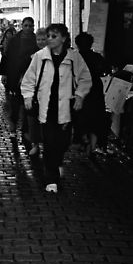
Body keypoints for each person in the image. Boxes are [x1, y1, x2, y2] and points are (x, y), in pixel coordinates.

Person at [21, 24, 92, 194]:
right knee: (49, 142)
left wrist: (80, 96)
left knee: (63, 142)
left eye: (54, 36)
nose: (50, 39)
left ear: (64, 38)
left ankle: (57, 161)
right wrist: (28, 96)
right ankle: (51, 179)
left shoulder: (74, 57)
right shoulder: (40, 56)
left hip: (66, 107)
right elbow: (29, 78)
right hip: (46, 106)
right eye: (49, 36)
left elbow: (85, 79)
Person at [73, 32, 110, 155]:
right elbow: (105, 71)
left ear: (77, 44)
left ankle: (83, 138)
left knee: (81, 116)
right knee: (96, 118)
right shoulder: (97, 57)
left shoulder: (74, 57)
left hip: (80, 89)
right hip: (95, 89)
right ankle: (93, 146)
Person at [4, 17, 38, 139]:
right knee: (15, 103)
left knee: (28, 104)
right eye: (26, 25)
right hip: (15, 75)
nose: (28, 28)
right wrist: (5, 74)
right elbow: (7, 56)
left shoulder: (36, 40)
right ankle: (13, 124)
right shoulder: (14, 40)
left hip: (31, 76)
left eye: (30, 25)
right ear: (22, 26)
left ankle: (26, 129)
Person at [26, 27, 50, 156]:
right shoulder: (33, 54)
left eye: (43, 39)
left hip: (47, 94)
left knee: (46, 122)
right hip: (34, 94)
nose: (40, 42)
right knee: (33, 121)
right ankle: (35, 144)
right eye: (38, 39)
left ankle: (47, 145)